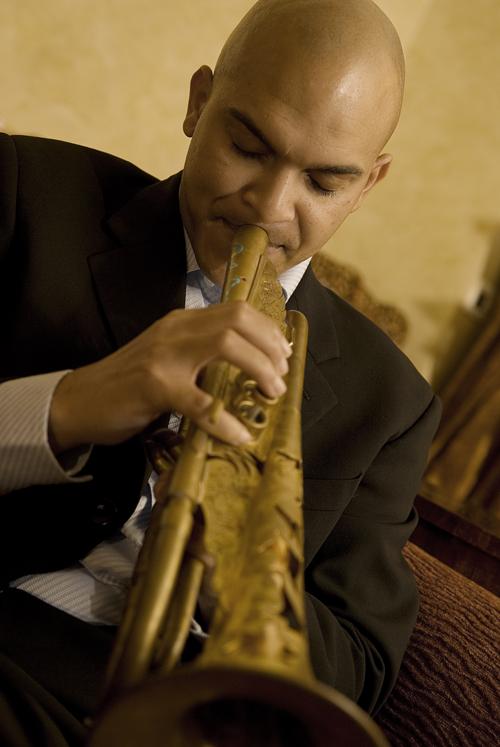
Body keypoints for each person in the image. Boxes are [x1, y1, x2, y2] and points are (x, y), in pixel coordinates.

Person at [0, 0, 441, 743]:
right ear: (198, 102)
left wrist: (235, 569)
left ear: (370, 184)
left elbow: (361, 658)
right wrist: (65, 406)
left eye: (324, 184)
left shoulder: (392, 400)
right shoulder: (24, 191)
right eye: (247, 145)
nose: (269, 209)